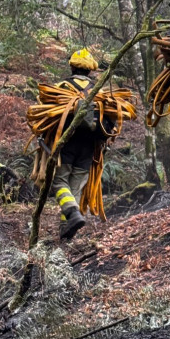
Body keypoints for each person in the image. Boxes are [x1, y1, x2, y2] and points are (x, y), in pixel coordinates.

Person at [50, 48, 111, 241]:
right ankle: (66, 229)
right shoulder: (99, 90)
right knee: (75, 186)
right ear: (90, 70)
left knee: (59, 181)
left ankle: (71, 214)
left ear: (71, 66)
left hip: (66, 142)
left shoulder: (61, 87)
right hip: (89, 145)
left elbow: (47, 113)